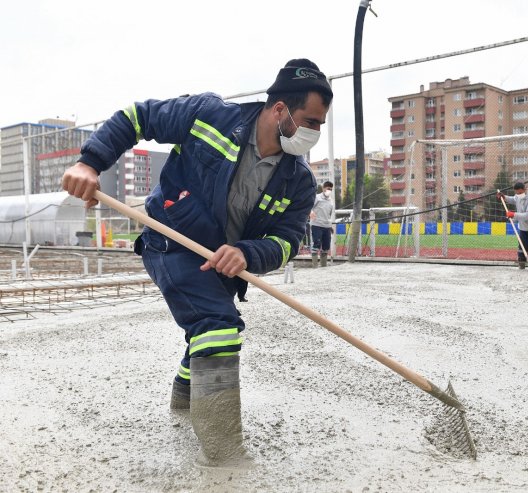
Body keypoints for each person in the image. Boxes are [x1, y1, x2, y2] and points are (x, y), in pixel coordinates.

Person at [61, 59, 333, 467]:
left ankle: (184, 397)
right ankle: (224, 454)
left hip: (223, 264)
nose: (314, 133)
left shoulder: (299, 181)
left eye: (320, 125)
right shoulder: (210, 115)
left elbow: (288, 241)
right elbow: (138, 118)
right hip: (170, 242)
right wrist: (90, 162)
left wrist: (247, 253)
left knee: (206, 331)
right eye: (310, 121)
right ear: (279, 110)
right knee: (219, 328)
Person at [497, 182, 528, 270]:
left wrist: (513, 215)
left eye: (520, 193)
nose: (518, 195)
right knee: (521, 249)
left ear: (525, 189)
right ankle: (521, 266)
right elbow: (514, 199)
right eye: (516, 193)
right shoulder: (518, 195)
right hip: (523, 228)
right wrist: (504, 198)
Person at [309, 181, 334, 267]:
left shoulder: (331, 201)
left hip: (326, 226)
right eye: (328, 188)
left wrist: (330, 226)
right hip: (317, 224)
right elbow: (309, 206)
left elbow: (329, 214)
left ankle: (324, 266)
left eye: (331, 189)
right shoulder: (317, 198)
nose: (329, 190)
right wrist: (311, 212)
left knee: (326, 246)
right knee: (316, 244)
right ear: (323, 188)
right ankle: (315, 266)